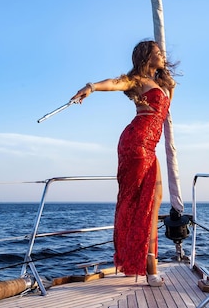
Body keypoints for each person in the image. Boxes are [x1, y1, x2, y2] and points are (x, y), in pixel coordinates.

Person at [70, 40, 176, 287]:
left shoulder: (160, 84)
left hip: (149, 146)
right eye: (158, 53)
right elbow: (114, 84)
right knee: (143, 203)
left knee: (155, 199)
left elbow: (170, 97)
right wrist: (91, 87)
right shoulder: (136, 80)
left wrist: (167, 77)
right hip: (136, 144)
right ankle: (150, 269)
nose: (162, 55)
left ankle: (148, 263)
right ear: (145, 57)